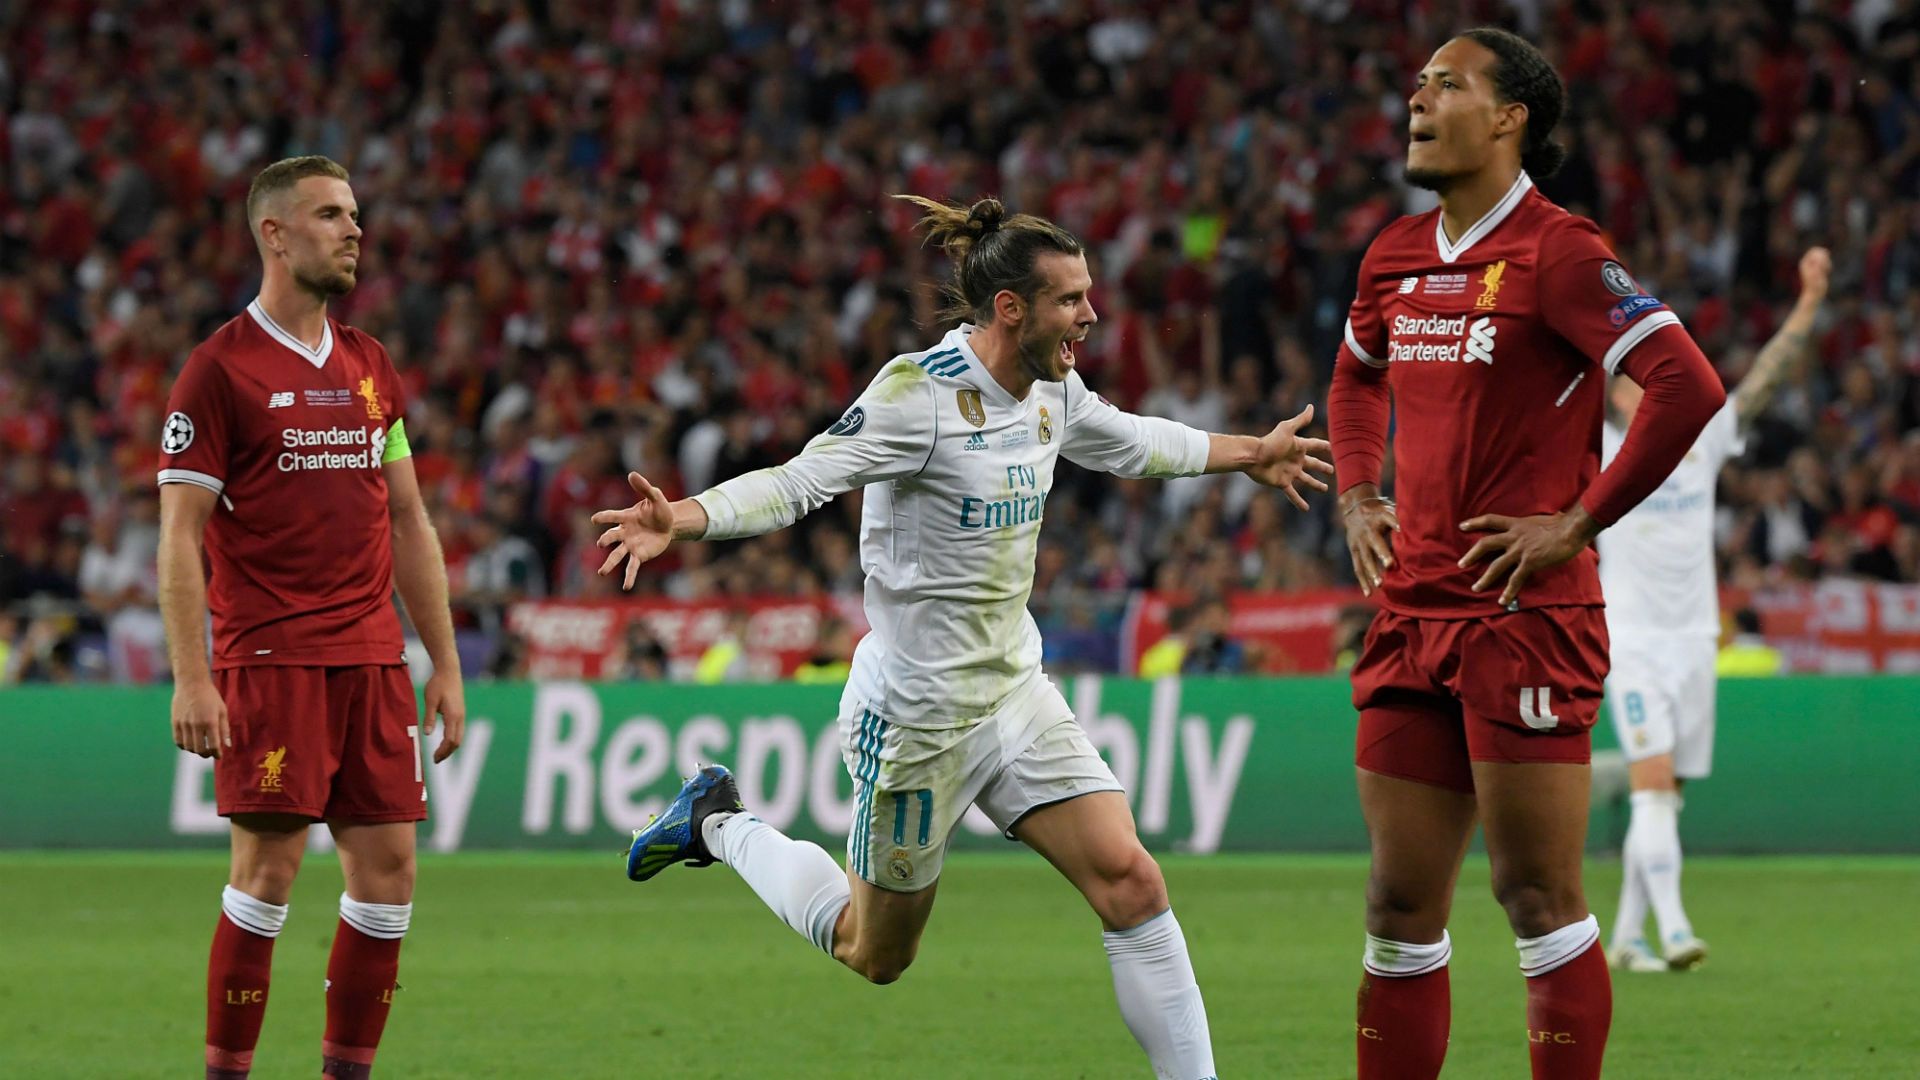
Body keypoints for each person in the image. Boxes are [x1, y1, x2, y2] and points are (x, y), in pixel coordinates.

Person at [594, 193, 1333, 1080]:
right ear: (1010, 309)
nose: (1090, 316)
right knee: (875, 953)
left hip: (1015, 694)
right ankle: (718, 823)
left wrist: (1251, 452)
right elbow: (800, 483)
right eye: (1070, 301)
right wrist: (684, 516)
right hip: (916, 721)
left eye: (1089, 296)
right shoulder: (919, 397)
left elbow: (1132, 441)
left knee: (1132, 884)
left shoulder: (1054, 389)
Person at [1327, 29, 1726, 1080]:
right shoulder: (1396, 253)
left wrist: (1581, 522)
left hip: (1526, 615)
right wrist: (1360, 492)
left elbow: (1689, 386)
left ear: (1510, 120)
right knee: (1397, 905)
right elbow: (1354, 379)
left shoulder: (1559, 251)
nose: (1417, 95)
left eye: (1446, 84)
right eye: (1415, 81)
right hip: (1411, 614)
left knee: (1536, 899)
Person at [157, 155, 465, 1080]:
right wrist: (193, 674)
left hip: (373, 661)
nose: (353, 230)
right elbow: (180, 536)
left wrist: (442, 662)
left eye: (355, 214)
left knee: (390, 883)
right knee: (268, 880)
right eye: (331, 214)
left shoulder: (371, 366)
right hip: (272, 658)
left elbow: (407, 518)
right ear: (275, 234)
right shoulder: (218, 372)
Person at [1602, 247, 1830, 974]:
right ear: (1615, 393)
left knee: (1668, 795)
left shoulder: (1700, 437)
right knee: (1653, 783)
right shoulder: (1595, 449)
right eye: (1638, 376)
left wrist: (1809, 302)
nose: (1654, 382)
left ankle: (1629, 938)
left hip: (1696, 638)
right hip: (1631, 638)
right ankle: (1674, 930)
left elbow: (1764, 381)